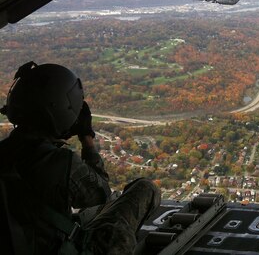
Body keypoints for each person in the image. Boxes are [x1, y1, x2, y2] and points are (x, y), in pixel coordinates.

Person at [0, 61, 160, 254]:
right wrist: (87, 140)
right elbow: (101, 195)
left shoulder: (4, 152)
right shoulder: (61, 163)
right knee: (145, 189)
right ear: (62, 110)